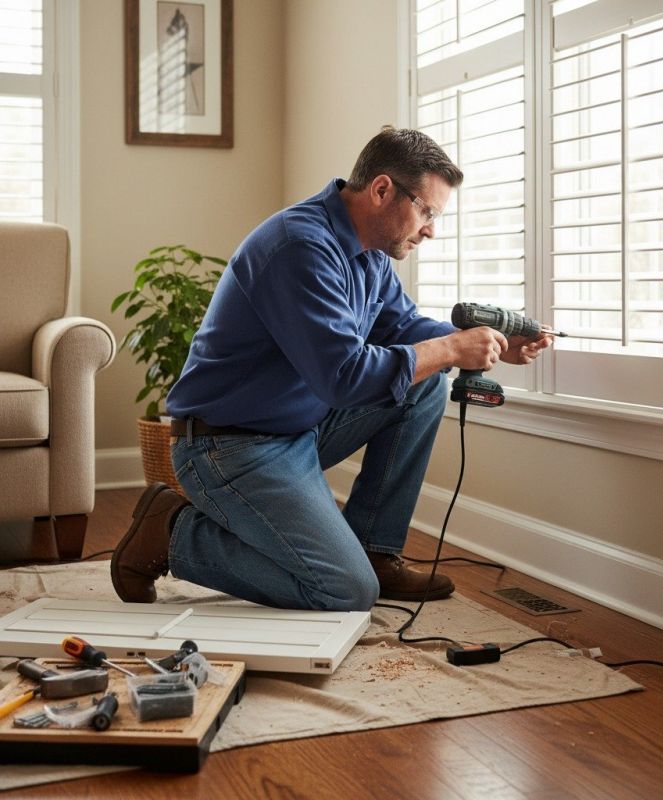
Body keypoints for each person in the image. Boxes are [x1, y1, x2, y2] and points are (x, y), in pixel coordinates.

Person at [110, 126, 551, 612]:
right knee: (345, 590)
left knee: (423, 386)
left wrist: (487, 342)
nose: (431, 229)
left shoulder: (371, 252)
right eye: (427, 211)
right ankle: (171, 531)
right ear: (382, 190)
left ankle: (374, 552)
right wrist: (450, 349)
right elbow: (345, 376)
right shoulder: (299, 247)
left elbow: (403, 327)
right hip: (227, 446)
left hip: (297, 429)